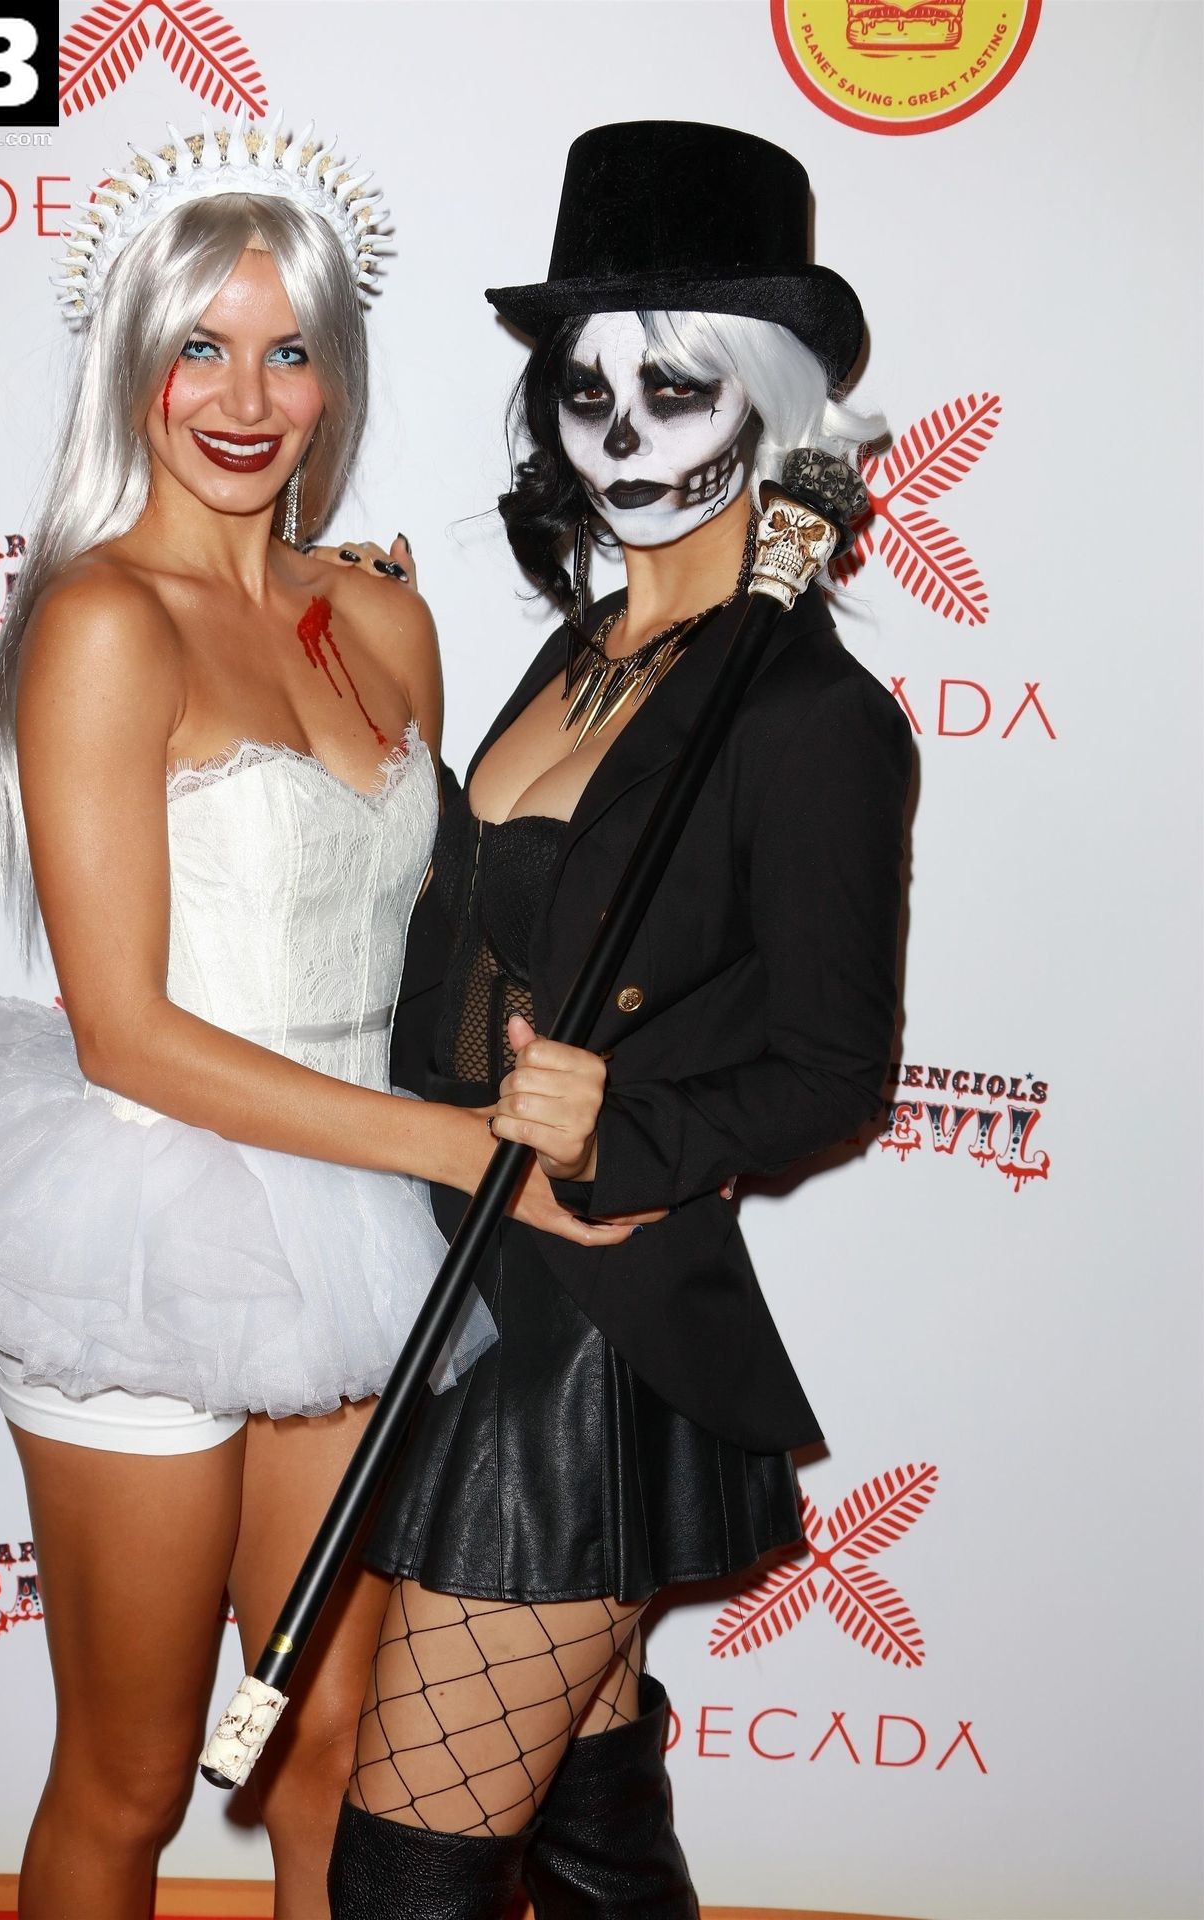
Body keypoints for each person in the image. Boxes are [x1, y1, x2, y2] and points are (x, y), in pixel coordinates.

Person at [0, 112, 629, 1920]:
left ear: (337, 375)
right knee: (128, 1777)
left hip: (359, 1219)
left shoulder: (384, 621)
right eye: (200, 344)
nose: (246, 398)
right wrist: (457, 1150)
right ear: (132, 360)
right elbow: (125, 1032)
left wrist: (533, 1070)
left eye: (289, 350)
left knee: (332, 1743)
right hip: (152, 1222)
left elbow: (430, 938)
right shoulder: (100, 622)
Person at [322, 121, 914, 1918]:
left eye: (674, 387)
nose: (624, 436)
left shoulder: (807, 716)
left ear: (771, 403)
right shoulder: (573, 647)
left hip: (584, 1337)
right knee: (590, 1835)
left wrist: (622, 1132)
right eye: (586, 392)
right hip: (456, 1278)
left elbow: (833, 1070)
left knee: (403, 1882)